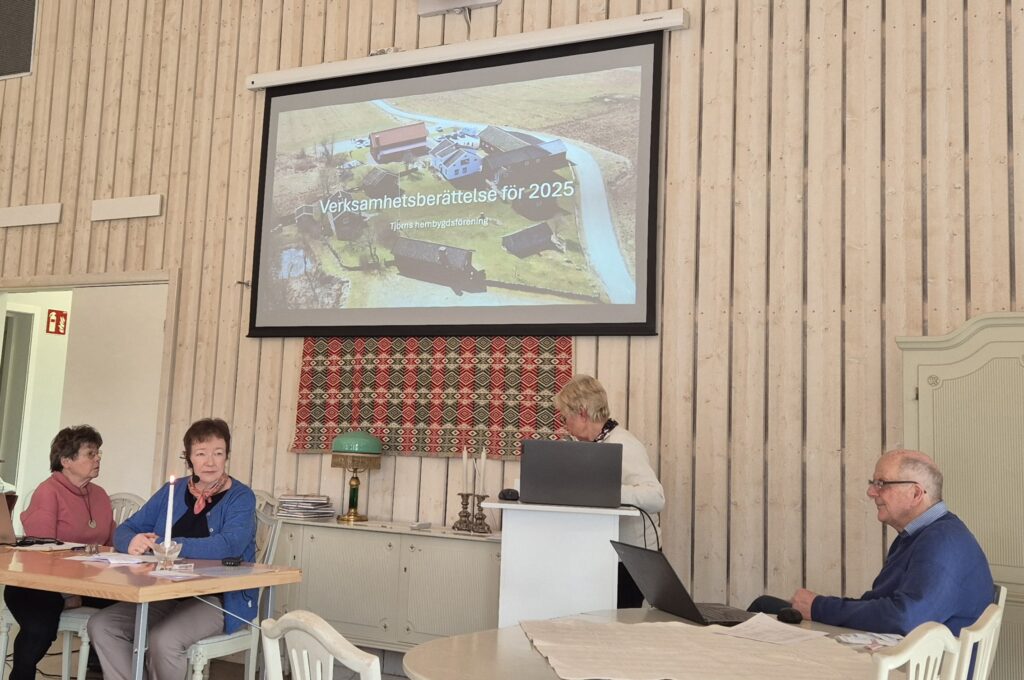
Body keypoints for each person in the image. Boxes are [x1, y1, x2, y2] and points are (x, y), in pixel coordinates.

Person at [751, 449, 993, 635]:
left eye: (881, 484)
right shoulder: (917, 535)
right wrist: (818, 606)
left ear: (916, 493)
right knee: (765, 604)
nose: (871, 492)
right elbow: (881, 603)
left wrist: (818, 607)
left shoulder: (942, 541)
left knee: (764, 613)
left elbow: (905, 617)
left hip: (920, 668)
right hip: (904, 653)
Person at [87, 418, 257, 680]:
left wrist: (171, 546)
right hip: (166, 593)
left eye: (218, 453)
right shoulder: (173, 490)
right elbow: (126, 528)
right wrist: (131, 541)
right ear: (189, 458)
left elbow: (229, 545)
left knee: (164, 639)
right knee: (102, 625)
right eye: (201, 453)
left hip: (217, 599)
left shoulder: (241, 496)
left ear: (227, 456)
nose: (210, 462)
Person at [4, 425, 116, 680]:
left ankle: (98, 671)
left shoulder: (100, 495)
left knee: (133, 610)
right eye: (90, 453)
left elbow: (111, 543)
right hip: (38, 583)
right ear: (66, 460)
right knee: (39, 629)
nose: (98, 458)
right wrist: (69, 591)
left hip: (86, 584)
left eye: (98, 453)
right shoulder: (48, 491)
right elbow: (42, 550)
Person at [554, 374, 665, 608]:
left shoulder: (624, 444)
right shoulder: (596, 445)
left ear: (582, 413)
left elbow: (656, 497)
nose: (564, 424)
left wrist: (605, 490)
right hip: (609, 555)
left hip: (631, 561)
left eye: (565, 417)